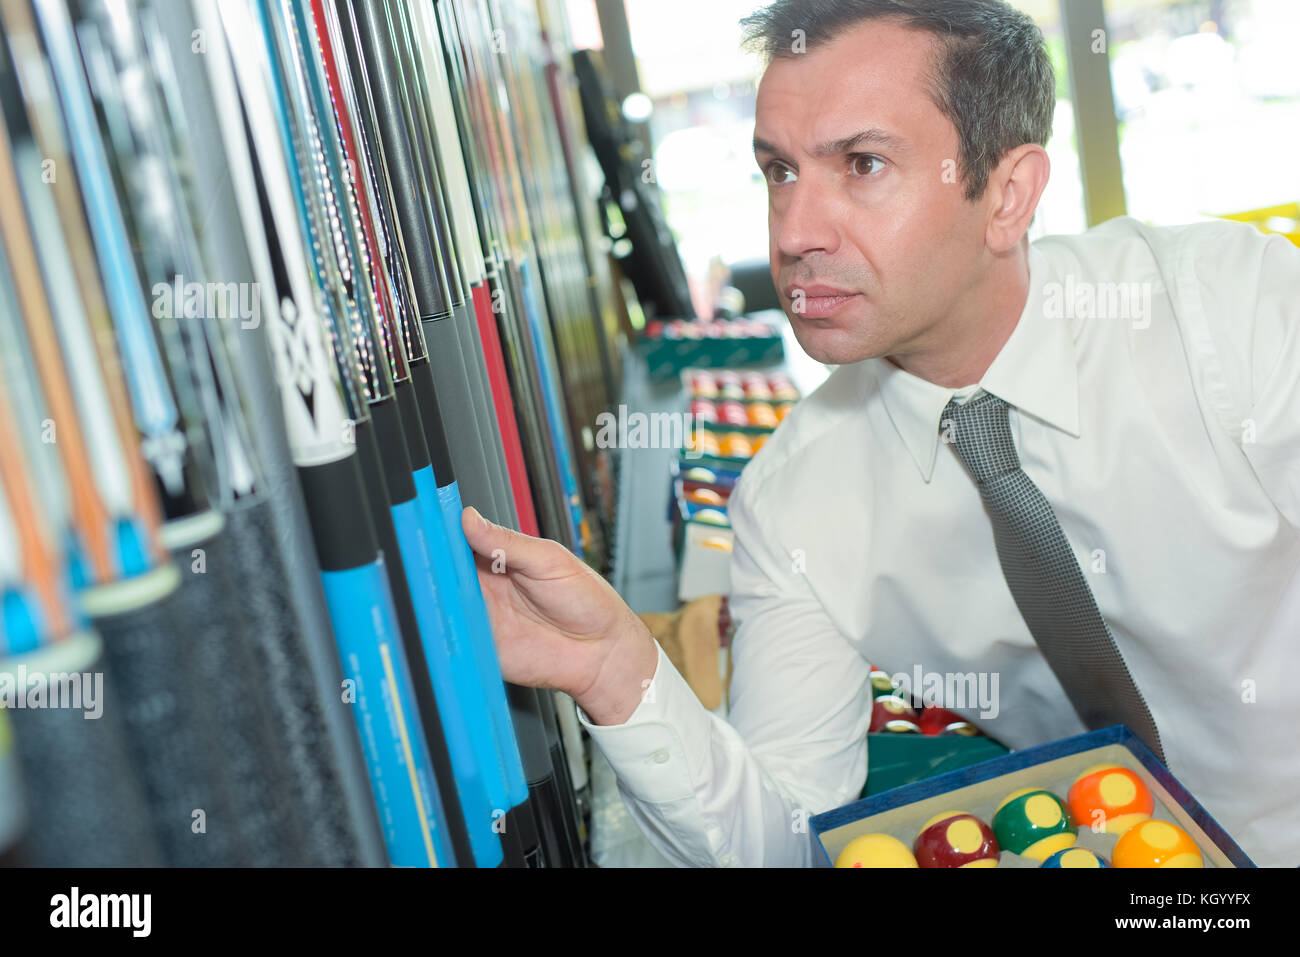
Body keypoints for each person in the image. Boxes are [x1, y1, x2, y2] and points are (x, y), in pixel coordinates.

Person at [462, 0, 1300, 867]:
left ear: (1007, 195)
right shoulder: (794, 503)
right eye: (779, 170)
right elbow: (785, 840)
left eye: (862, 164)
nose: (795, 233)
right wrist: (617, 672)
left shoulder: (1233, 312)